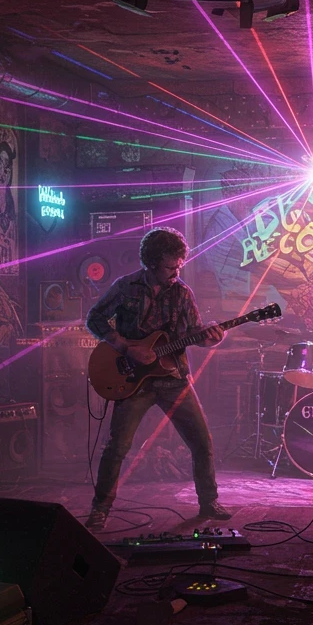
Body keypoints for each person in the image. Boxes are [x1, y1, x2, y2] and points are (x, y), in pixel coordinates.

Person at [84, 227, 231, 530]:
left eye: (179, 264)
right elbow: (94, 318)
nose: (176, 271)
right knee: (117, 448)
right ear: (150, 263)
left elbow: (193, 333)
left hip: (173, 378)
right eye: (169, 266)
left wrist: (211, 338)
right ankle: (100, 509)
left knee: (202, 442)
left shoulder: (182, 293)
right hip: (133, 381)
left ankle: (208, 501)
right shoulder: (125, 287)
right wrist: (125, 347)